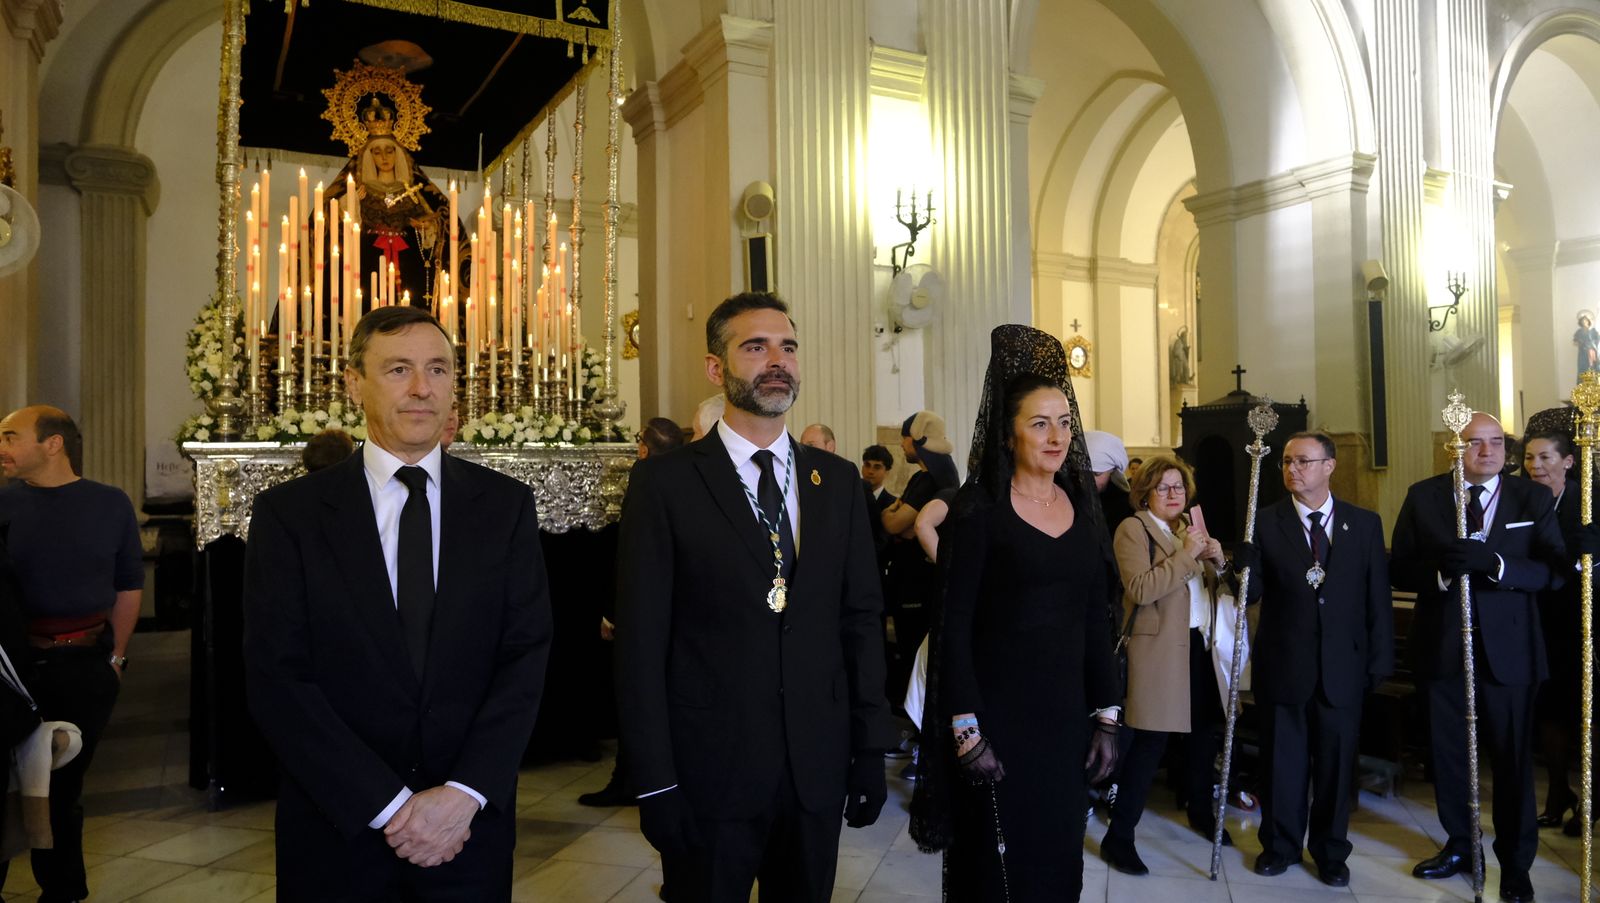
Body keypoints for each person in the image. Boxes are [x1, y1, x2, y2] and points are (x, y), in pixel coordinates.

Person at [244, 306, 554, 900]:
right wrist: (388, 807)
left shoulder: (504, 507)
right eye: (399, 370)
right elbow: (277, 677)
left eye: (437, 369)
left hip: (468, 830)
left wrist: (465, 793)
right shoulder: (292, 516)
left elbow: (525, 657)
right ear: (354, 383)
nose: (421, 388)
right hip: (340, 829)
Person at [615, 291, 894, 902]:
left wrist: (870, 747)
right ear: (717, 368)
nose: (777, 360)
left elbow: (861, 620)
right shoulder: (665, 483)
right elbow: (641, 643)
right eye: (755, 346)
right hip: (708, 771)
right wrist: (653, 781)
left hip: (814, 770)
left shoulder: (837, 481)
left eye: (788, 347)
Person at [909, 324, 1119, 901]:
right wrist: (966, 731)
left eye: (1064, 423)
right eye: (1039, 423)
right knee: (995, 869)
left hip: (1063, 723)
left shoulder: (1079, 511)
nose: (1056, 437)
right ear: (1008, 434)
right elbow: (954, 626)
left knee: (1056, 862)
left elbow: (1093, 619)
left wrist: (1106, 714)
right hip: (996, 721)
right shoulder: (980, 513)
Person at [1391, 411, 1565, 903]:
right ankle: (1461, 846)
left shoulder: (1531, 498)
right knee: (1448, 758)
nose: (1486, 451)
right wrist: (1441, 573)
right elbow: (1400, 566)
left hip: (1511, 654)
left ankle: (1516, 864)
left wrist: (1499, 564)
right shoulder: (1425, 496)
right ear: (1454, 447)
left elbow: (1553, 570)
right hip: (1443, 649)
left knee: (1511, 763)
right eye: (1474, 442)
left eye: (1494, 442)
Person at [1236, 432, 1393, 887]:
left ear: (1329, 465)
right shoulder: (1264, 522)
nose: (1292, 469)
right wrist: (1241, 566)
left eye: (1303, 461)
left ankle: (1329, 852)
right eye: (1286, 462)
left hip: (1343, 667)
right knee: (1282, 764)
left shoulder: (1363, 525)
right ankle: (1279, 846)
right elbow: (1252, 593)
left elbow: (1376, 598)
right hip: (1285, 664)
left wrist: (1379, 658)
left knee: (1336, 766)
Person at [0, 406, 140, 902]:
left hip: (83, 664)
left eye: (11, 437)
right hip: (11, 671)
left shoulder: (109, 504)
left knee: (63, 787)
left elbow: (127, 588)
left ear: (52, 444)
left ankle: (62, 892)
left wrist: (116, 658)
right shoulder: (3, 503)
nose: (2, 449)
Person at [1102, 454, 1236, 876]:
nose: (1174, 494)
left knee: (1202, 738)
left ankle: (1200, 811)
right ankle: (1119, 836)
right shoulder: (1133, 529)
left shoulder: (1187, 531)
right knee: (1149, 745)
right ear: (1145, 493)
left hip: (1197, 648)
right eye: (1163, 487)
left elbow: (1212, 589)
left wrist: (1218, 561)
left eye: (1179, 487)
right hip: (1157, 652)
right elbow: (1140, 589)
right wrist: (1188, 556)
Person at [578, 416, 687, 810]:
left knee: (635, 698)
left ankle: (629, 780)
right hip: (677, 612)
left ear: (643, 448)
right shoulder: (687, 475)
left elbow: (631, 552)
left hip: (641, 612)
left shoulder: (645, 476)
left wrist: (612, 612)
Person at [1520, 415, 1591, 836]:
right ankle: (1556, 791)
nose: (1536, 465)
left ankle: (1590, 798)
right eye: (1529, 457)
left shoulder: (1587, 501)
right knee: (1549, 711)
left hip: (1581, 620)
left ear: (1567, 462)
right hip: (1538, 618)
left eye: (1545, 456)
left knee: (1585, 712)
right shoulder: (1523, 499)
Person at [881, 412, 960, 704]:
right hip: (912, 578)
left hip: (918, 582)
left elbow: (894, 524)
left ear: (916, 439)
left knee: (913, 652)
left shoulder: (929, 483)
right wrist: (896, 512)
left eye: (904, 436)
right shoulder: (922, 478)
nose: (901, 445)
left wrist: (894, 512)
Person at [1085, 430, 1134, 531]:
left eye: (1097, 474)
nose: (1089, 481)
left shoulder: (1125, 506)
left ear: (1112, 470)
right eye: (1083, 474)